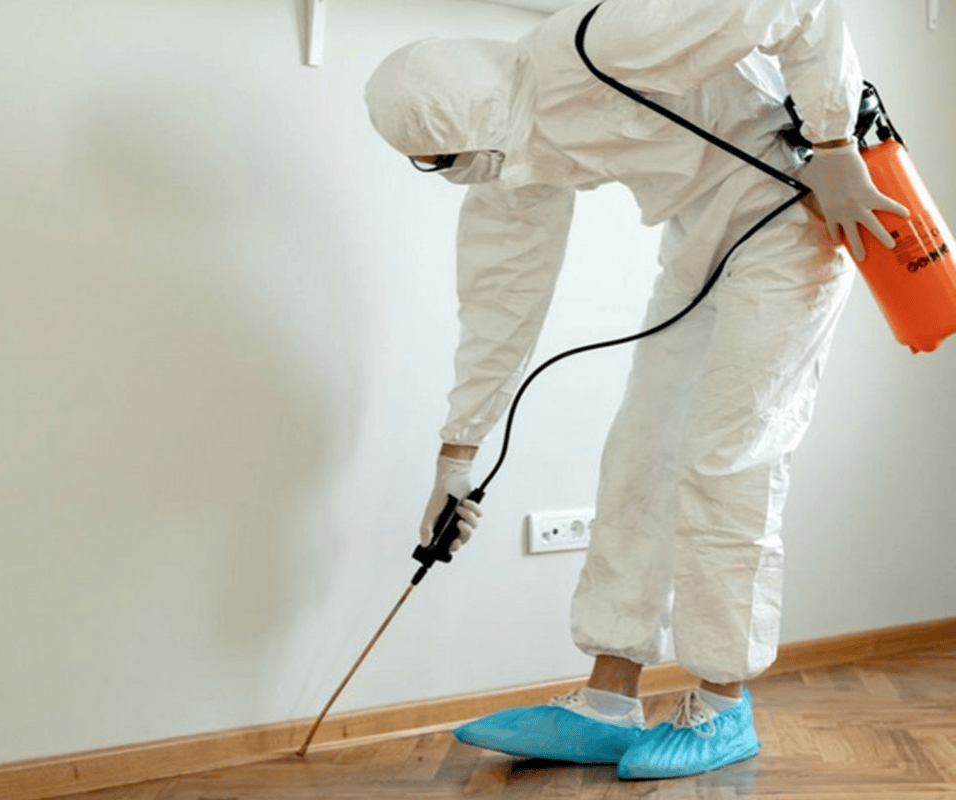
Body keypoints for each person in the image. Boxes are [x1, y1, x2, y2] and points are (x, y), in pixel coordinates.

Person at [364, 0, 906, 781]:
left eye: (438, 159)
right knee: (640, 454)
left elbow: (799, 5)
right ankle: (609, 703)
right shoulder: (514, 147)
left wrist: (835, 146)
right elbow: (500, 300)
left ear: (464, 122)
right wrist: (458, 456)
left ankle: (722, 703)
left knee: (727, 460)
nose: (447, 173)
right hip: (700, 239)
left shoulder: (603, 44)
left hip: (797, 220)